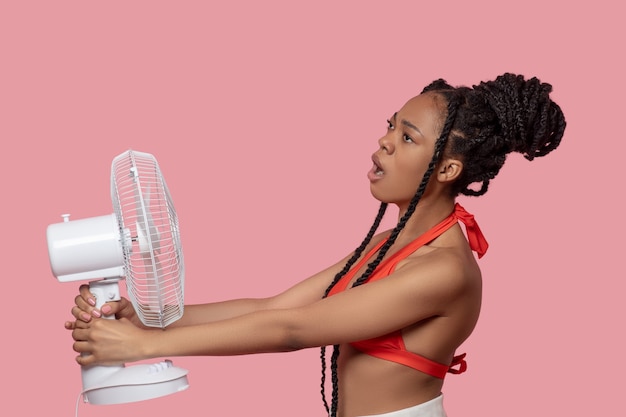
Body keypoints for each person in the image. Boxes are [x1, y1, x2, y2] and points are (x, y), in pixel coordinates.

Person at [66, 73, 566, 417]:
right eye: (391, 124)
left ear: (447, 169)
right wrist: (150, 317)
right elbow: (274, 305)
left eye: (408, 138)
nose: (386, 141)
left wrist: (148, 346)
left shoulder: (445, 271)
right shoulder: (393, 243)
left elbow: (293, 329)